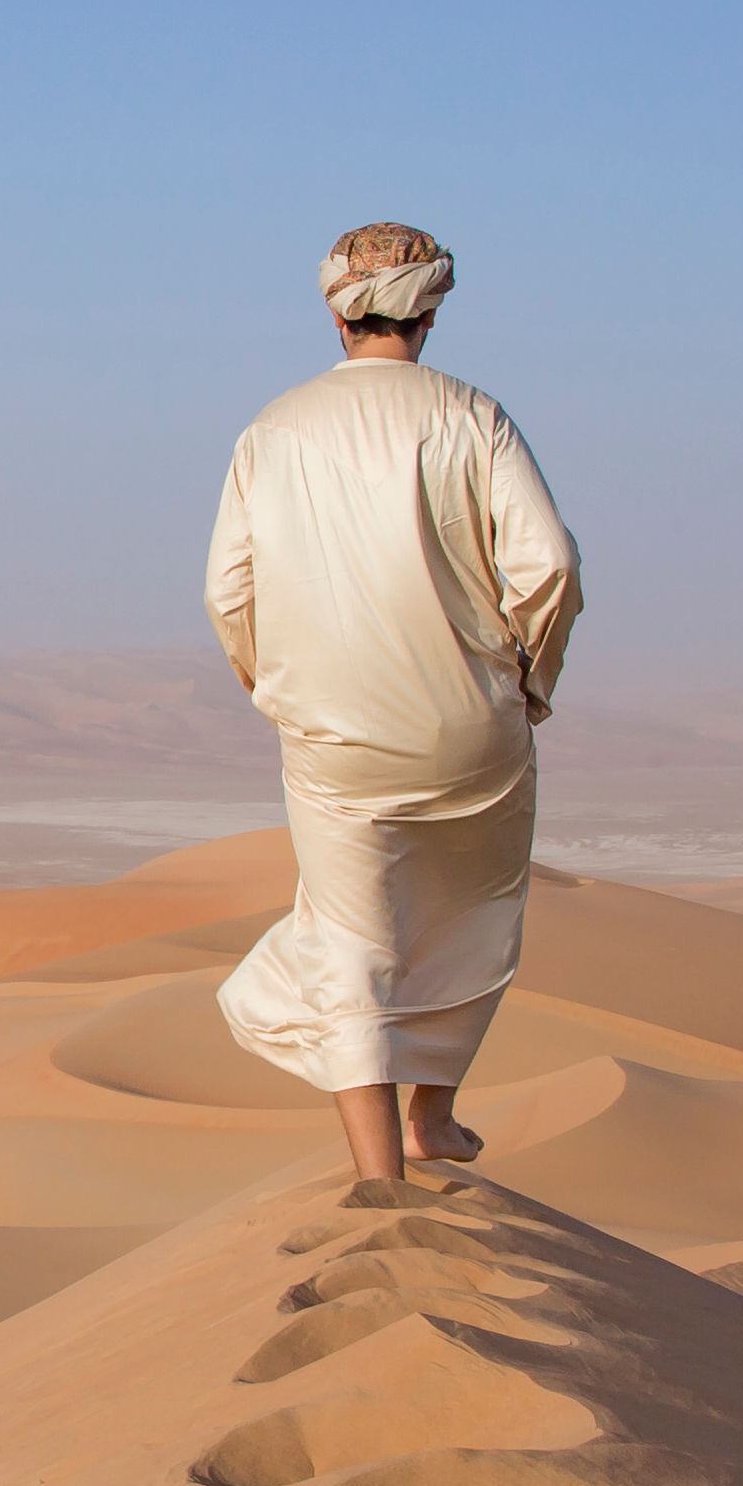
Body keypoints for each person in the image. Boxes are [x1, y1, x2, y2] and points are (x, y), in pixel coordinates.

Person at [203, 222, 584, 1182]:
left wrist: (276, 686)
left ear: (337, 309)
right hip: (472, 723)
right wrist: (526, 679)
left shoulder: (274, 428)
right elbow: (551, 567)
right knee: (475, 907)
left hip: (332, 734)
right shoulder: (474, 416)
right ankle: (436, 1113)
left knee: (349, 934)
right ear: (432, 308)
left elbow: (228, 591)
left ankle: (380, 1174)